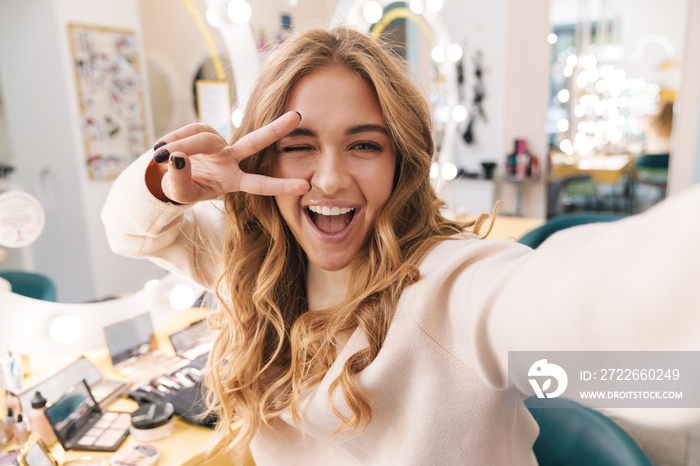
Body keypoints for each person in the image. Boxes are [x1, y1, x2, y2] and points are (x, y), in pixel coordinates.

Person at [102, 27, 700, 465]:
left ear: (401, 164)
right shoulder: (256, 267)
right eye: (300, 145)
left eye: (363, 145)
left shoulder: (455, 293)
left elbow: (634, 346)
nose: (330, 179)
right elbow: (130, 229)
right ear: (263, 158)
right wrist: (167, 178)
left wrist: (657, 372)